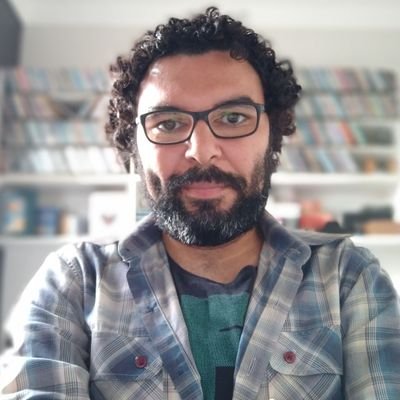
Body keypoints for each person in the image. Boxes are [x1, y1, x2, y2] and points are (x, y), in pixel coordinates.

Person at [1, 6, 400, 400]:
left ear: (272, 135)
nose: (202, 151)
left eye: (233, 118)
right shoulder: (73, 282)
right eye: (168, 123)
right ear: (134, 146)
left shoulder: (348, 277)